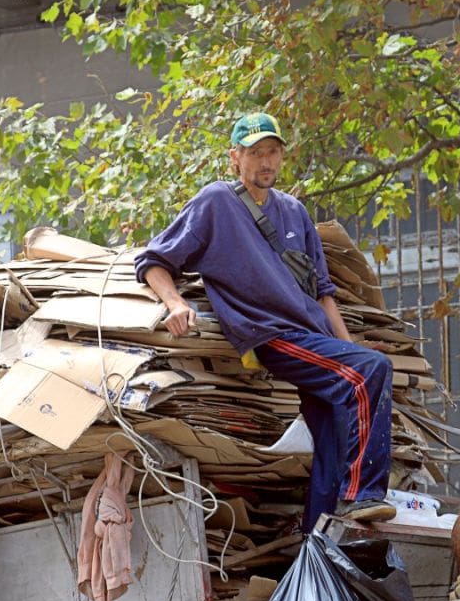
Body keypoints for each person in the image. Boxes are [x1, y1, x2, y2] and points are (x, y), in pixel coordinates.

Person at [134, 112, 397, 529]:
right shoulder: (216, 202)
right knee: (372, 371)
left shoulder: (294, 211)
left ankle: (317, 547)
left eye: (272, 151)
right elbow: (153, 261)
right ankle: (362, 495)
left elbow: (322, 293)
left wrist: (351, 348)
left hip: (315, 338)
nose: (266, 162)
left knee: (334, 438)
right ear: (235, 157)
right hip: (273, 336)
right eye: (255, 153)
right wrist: (175, 304)